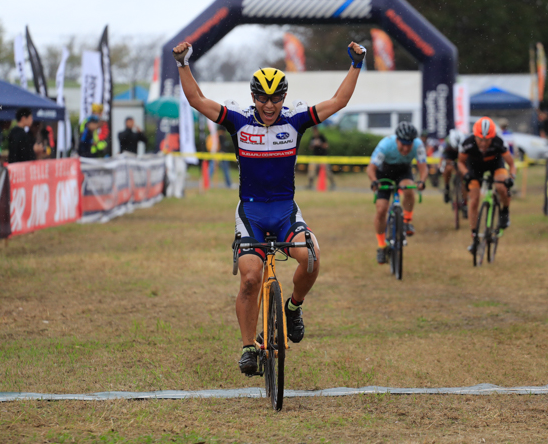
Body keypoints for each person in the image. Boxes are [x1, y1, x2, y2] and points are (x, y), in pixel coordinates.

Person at [172, 39, 366, 375]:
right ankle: (249, 347)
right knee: (250, 279)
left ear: (284, 98)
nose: (269, 104)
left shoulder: (295, 121)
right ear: (253, 97)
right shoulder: (237, 120)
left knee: (312, 256)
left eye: (276, 97)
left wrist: (356, 64)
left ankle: (293, 308)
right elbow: (196, 100)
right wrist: (182, 63)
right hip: (252, 213)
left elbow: (339, 100)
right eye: (262, 97)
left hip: (284, 209)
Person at [366, 122, 428, 264]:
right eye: (403, 144)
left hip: (403, 171)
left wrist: (422, 181)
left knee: (408, 188)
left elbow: (423, 168)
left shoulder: (418, 145)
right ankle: (381, 246)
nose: (406, 148)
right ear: (397, 140)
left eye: (409, 144)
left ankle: (406, 221)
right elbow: (371, 168)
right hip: (384, 173)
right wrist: (375, 181)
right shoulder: (385, 145)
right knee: (381, 209)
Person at [458, 117, 516, 253]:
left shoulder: (498, 142)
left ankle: (505, 212)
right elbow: (460, 162)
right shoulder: (468, 143)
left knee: (502, 186)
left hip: (495, 164)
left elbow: (512, 164)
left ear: (493, 137)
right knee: (474, 200)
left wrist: (511, 178)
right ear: (475, 136)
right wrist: (465, 173)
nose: (483, 143)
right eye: (480, 139)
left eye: (487, 140)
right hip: (474, 168)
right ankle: (474, 239)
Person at [441, 129, 466, 215]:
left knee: (464, 177)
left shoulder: (465, 142)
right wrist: (441, 167)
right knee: (448, 168)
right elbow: (442, 158)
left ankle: (464, 202)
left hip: (462, 154)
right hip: (450, 155)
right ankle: (447, 187)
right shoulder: (446, 143)